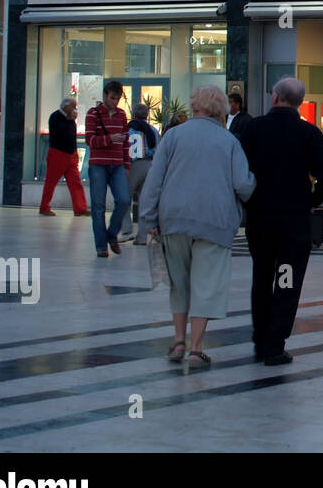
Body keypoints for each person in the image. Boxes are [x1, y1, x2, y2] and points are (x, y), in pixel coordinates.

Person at [139, 85, 255, 368]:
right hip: (214, 221)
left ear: (194, 106)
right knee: (206, 284)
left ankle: (178, 340)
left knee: (178, 284)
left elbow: (154, 180)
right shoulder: (229, 142)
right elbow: (243, 184)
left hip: (174, 219)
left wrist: (148, 218)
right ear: (220, 110)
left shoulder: (173, 136)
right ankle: (196, 348)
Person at [239, 77, 323, 366]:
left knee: (262, 277)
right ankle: (275, 343)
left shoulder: (253, 129)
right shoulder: (307, 132)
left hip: (261, 218)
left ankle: (260, 337)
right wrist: (311, 200)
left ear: (275, 98)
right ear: (300, 103)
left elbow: (239, 170)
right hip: (293, 222)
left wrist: (249, 200)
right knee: (286, 280)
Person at [85, 81, 131, 258]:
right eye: (112, 98)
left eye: (118, 98)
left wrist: (126, 164)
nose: (115, 102)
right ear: (105, 95)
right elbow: (90, 140)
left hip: (117, 164)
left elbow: (126, 142)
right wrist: (110, 139)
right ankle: (101, 246)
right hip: (98, 165)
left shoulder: (121, 115)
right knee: (98, 206)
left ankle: (112, 234)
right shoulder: (93, 114)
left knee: (123, 199)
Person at [39, 98, 89, 217]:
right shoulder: (55, 117)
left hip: (71, 154)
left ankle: (80, 208)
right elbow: (60, 133)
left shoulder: (70, 120)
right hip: (58, 154)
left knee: (75, 182)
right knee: (51, 182)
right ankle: (44, 206)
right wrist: (70, 120)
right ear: (66, 107)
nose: (75, 109)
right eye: (73, 107)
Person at [122, 102, 159, 244]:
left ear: (133, 114)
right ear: (147, 115)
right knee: (144, 201)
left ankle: (127, 229)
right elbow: (157, 149)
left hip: (131, 166)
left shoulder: (128, 129)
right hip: (149, 165)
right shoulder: (153, 130)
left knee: (125, 198)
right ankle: (142, 236)